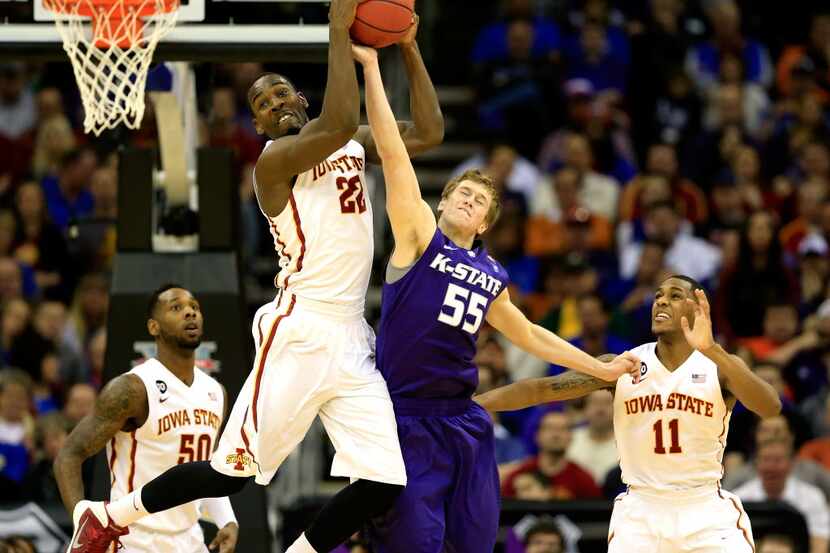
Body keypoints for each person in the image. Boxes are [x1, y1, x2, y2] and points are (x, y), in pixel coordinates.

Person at [65, 2, 446, 552]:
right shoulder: (273, 163)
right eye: (262, 103)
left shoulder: (351, 143)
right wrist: (338, 30)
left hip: (350, 335)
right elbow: (338, 120)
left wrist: (407, 46)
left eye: (281, 92)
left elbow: (428, 132)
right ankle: (108, 516)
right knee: (231, 474)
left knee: (384, 479)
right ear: (261, 125)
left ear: (301, 100)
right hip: (298, 328)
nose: (273, 103)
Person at [349, 44, 639, 553]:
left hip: (464, 419)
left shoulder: (492, 273)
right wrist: (372, 69)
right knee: (412, 543)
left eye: (479, 199)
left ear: (485, 223)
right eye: (461, 191)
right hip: (403, 417)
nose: (467, 198)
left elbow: (528, 334)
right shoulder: (419, 237)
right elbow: (394, 154)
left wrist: (601, 368)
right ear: (442, 201)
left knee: (475, 542)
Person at [477, 275, 782, 552]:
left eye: (675, 296)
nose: (661, 300)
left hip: (704, 507)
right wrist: (474, 403)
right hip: (641, 511)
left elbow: (770, 407)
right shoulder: (622, 364)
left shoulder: (719, 366)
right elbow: (541, 390)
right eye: (658, 295)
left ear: (698, 309)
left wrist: (712, 348)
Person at [55, 285, 238, 553]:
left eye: (195, 307)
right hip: (134, 539)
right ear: (154, 327)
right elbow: (68, 456)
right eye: (176, 307)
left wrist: (227, 521)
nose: (190, 312)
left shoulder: (215, 392)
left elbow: (208, 471)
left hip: (190, 539)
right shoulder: (132, 389)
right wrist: (85, 524)